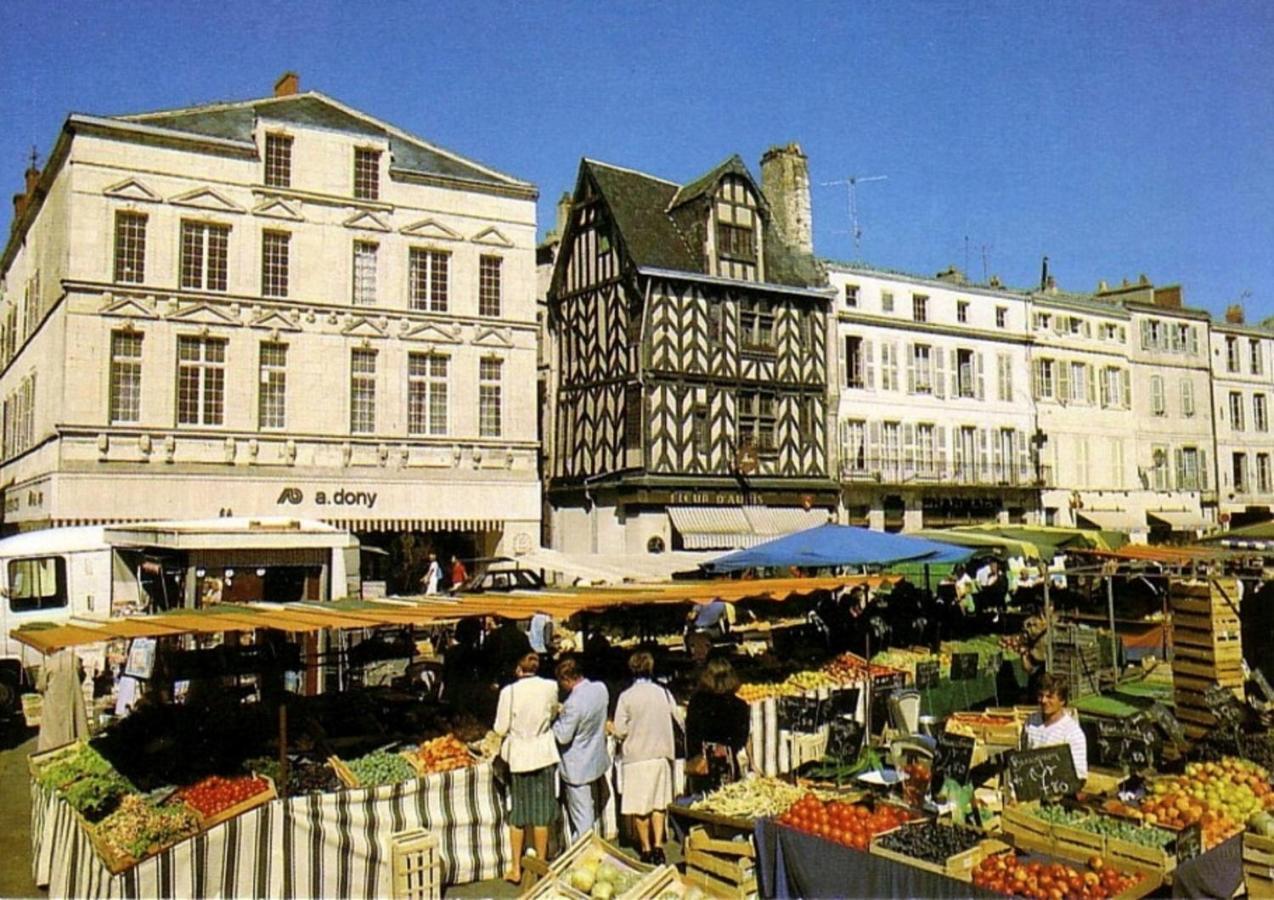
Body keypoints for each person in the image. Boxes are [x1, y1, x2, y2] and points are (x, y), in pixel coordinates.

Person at [610, 651, 683, 865]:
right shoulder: (663, 693)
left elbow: (620, 729)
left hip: (637, 758)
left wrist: (612, 728)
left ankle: (645, 847)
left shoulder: (626, 697)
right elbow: (678, 717)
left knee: (640, 806)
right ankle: (659, 846)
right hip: (660, 754)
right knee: (658, 803)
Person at [493, 652, 560, 883]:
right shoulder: (550, 687)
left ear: (517, 670)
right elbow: (553, 713)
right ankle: (540, 865)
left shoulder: (508, 692)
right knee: (542, 814)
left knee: (518, 815)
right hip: (543, 752)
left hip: (520, 756)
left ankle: (515, 868)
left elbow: (500, 728)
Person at [552, 657, 610, 839]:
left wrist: (554, 721)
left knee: (582, 817)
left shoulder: (573, 704)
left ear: (567, 679)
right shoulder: (601, 689)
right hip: (595, 757)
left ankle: (583, 853)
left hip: (577, 766)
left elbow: (562, 736)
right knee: (588, 810)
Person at [685, 658, 750, 794]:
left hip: (702, 761)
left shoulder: (697, 702)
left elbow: (691, 733)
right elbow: (741, 739)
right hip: (728, 760)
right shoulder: (740, 705)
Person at [1024, 672, 1088, 782]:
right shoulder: (1031, 722)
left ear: (1062, 701)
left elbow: (1080, 775)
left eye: (1049, 697)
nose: (1043, 701)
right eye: (1041, 695)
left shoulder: (1073, 733)